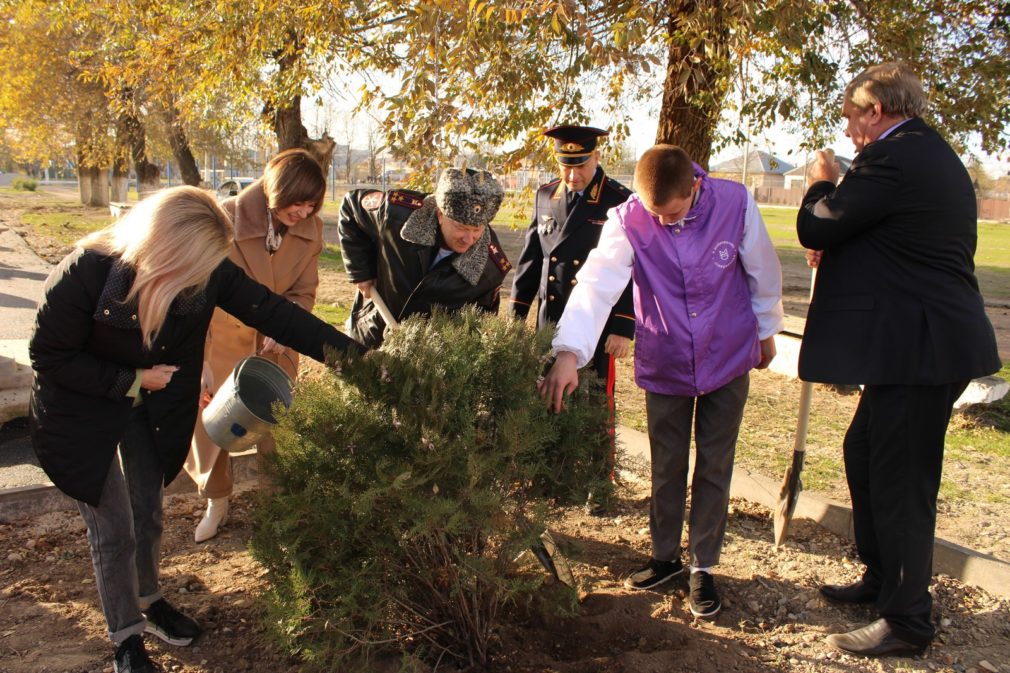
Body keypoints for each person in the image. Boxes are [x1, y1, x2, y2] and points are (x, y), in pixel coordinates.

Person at [28, 186, 363, 673]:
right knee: (114, 529)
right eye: (197, 267)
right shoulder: (86, 271)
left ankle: (149, 598)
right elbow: (48, 357)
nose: (205, 279)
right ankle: (126, 637)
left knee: (148, 510)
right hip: (80, 413)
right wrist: (132, 380)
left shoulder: (207, 272)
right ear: (165, 251)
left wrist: (356, 361)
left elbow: (275, 313)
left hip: (150, 408)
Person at [796, 62, 1001, 657]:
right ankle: (883, 576)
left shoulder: (893, 156)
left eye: (851, 119)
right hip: (911, 344)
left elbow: (820, 223)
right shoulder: (924, 153)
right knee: (864, 453)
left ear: (875, 111)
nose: (851, 130)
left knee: (902, 484)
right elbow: (891, 239)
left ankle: (909, 619)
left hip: (922, 348)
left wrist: (820, 180)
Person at [540, 144, 783, 619]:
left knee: (715, 461)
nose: (666, 223)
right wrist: (569, 352)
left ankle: (703, 567)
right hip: (666, 355)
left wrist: (767, 328)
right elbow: (597, 284)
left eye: (674, 213)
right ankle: (666, 557)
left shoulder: (735, 203)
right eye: (658, 215)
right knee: (667, 462)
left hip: (728, 351)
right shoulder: (628, 218)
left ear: (695, 185)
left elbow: (763, 270)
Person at [184, 148, 326, 543]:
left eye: (312, 205)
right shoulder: (223, 218)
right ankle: (217, 500)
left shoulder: (311, 230)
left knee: (277, 423)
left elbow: (304, 290)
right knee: (212, 423)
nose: (303, 213)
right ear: (273, 192)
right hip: (220, 337)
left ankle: (279, 504)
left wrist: (285, 327)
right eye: (296, 203)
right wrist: (197, 355)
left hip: (274, 343)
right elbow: (197, 291)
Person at [510, 125, 634, 509]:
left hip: (598, 323)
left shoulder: (618, 201)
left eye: (579, 165)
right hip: (552, 317)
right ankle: (554, 474)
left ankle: (600, 483)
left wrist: (623, 325)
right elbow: (533, 258)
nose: (572, 175)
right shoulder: (546, 195)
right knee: (549, 392)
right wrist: (517, 314)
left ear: (597, 158)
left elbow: (631, 268)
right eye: (565, 165)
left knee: (597, 401)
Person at [338, 167, 511, 348]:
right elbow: (351, 207)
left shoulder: (491, 268)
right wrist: (361, 272)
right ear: (440, 214)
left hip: (424, 361)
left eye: (477, 229)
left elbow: (480, 331)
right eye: (461, 227)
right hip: (369, 332)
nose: (469, 239)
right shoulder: (396, 214)